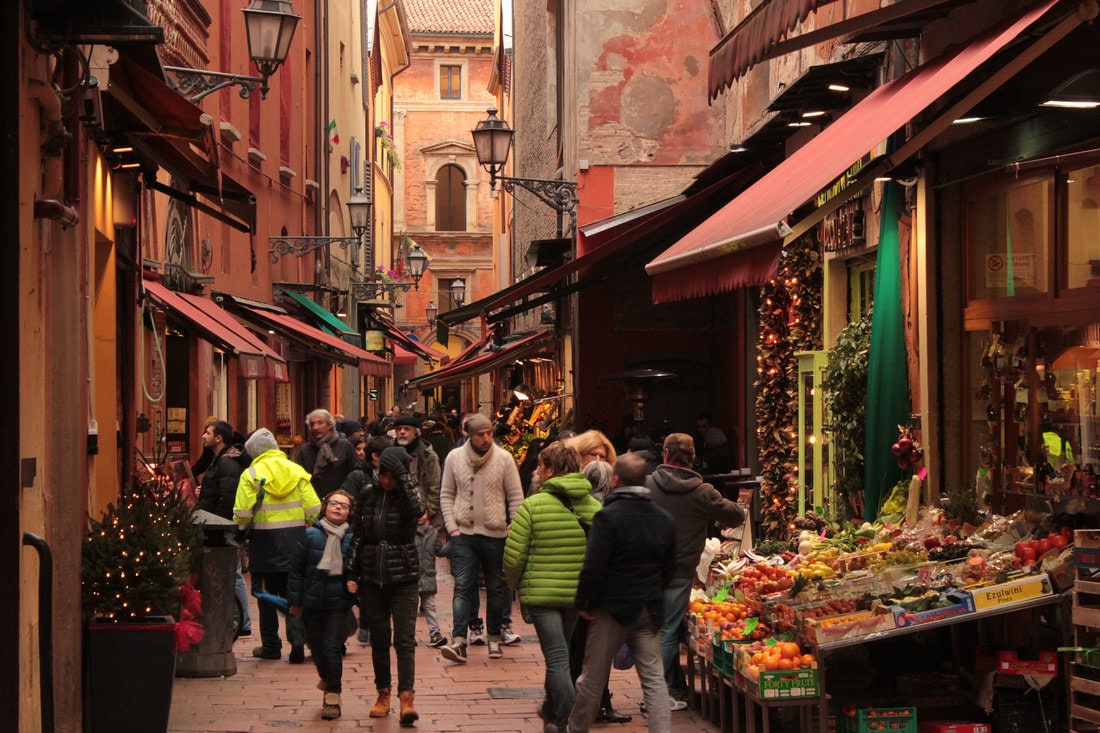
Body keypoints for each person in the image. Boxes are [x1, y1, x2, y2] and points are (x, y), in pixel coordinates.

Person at [567, 453, 677, 733]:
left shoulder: (608, 517)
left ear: (616, 480)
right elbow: (669, 568)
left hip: (611, 610)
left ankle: (576, 728)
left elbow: (594, 565)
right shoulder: (663, 518)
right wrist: (655, 593)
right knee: (653, 680)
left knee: (592, 678)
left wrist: (585, 602)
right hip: (647, 608)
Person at [504, 441, 601, 733]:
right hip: (575, 595)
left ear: (551, 470)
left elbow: (513, 556)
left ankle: (569, 722)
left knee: (557, 657)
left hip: (541, 595)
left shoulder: (532, 506)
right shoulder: (594, 506)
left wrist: (515, 586)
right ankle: (552, 710)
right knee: (560, 652)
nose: (537, 470)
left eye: (540, 465)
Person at [646, 433, 745, 706]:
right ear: (692, 457)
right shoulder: (702, 491)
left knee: (655, 629)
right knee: (668, 629)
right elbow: (736, 515)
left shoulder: (648, 486)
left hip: (650, 569)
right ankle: (658, 694)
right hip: (680, 570)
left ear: (665, 453)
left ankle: (663, 688)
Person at [344, 447, 425, 726]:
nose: (385, 480)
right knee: (379, 639)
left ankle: (407, 698)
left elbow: (418, 509)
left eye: (391, 475)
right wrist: (351, 571)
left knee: (404, 640)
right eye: (383, 474)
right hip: (372, 577)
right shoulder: (368, 493)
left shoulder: (407, 494)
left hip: (404, 576)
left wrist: (404, 479)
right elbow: (357, 535)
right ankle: (383, 693)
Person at [439, 413, 524, 663]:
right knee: (463, 585)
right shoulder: (455, 458)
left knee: (497, 587)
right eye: (480, 434)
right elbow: (446, 494)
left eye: (489, 433)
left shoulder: (504, 459)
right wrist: (452, 528)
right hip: (463, 533)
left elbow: (516, 496)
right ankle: (458, 641)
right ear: (470, 435)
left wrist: (513, 525)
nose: (486, 438)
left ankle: (494, 637)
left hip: (496, 534)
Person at [234, 428, 321, 663]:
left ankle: (271, 645)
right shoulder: (297, 470)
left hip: (264, 546)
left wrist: (241, 529)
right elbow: (313, 508)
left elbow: (242, 513)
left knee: (264, 595)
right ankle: (297, 642)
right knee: (294, 596)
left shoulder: (250, 474)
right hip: (296, 544)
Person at [287, 489, 356, 720]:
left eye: (344, 506)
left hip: (338, 603)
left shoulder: (352, 539)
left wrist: (355, 584)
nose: (338, 508)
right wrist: (295, 602)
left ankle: (332, 697)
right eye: (334, 504)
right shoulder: (310, 536)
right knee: (316, 648)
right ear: (324, 507)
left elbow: (358, 570)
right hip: (312, 602)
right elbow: (296, 571)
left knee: (331, 648)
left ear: (349, 512)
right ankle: (327, 679)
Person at [197, 419, 251, 637]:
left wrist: (218, 524)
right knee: (232, 571)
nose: (203, 436)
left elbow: (228, 497)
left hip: (222, 526)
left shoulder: (227, 463)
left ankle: (242, 621)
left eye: (207, 433)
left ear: (219, 438)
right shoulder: (219, 459)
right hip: (218, 524)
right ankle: (240, 619)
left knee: (233, 573)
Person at [343, 434, 393, 645]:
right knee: (367, 583)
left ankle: (374, 625)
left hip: (387, 539)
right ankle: (366, 625)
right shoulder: (357, 477)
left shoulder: (393, 475)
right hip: (363, 538)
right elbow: (347, 502)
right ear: (375, 456)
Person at [394, 415, 443, 534]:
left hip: (420, 515)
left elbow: (435, 487)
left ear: (416, 433)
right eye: (399, 429)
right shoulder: (388, 451)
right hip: (394, 513)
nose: (402, 432)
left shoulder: (428, 456)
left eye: (407, 429)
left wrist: (427, 511)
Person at [296, 409, 358, 495]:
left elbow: (354, 475)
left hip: (338, 500)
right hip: (313, 500)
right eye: (312, 424)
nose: (315, 427)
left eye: (320, 423)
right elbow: (299, 476)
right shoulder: (305, 450)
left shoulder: (345, 446)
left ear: (329, 425)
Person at [415, 512, 447, 648]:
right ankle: (408, 635)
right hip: (411, 577)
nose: (420, 516)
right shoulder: (406, 531)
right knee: (410, 609)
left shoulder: (432, 532)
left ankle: (435, 633)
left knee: (430, 607)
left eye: (423, 513)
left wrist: (454, 544)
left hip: (428, 576)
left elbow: (440, 550)